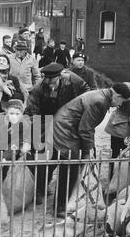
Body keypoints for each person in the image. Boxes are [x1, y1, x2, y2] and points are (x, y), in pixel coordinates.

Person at [53, 83, 130, 216]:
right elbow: (85, 129)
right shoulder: (99, 101)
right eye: (121, 101)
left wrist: (90, 148)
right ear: (117, 96)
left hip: (69, 126)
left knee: (71, 164)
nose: (119, 105)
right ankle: (59, 206)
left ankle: (64, 201)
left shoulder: (102, 95)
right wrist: (89, 151)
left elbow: (87, 127)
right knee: (71, 166)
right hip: (66, 129)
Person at [25, 63, 90, 203]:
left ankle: (60, 198)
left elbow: (86, 92)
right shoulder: (38, 89)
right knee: (43, 159)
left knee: (65, 158)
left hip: (66, 125)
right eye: (47, 81)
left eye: (53, 81)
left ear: (60, 77)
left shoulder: (72, 82)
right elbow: (32, 113)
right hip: (44, 123)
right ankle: (40, 190)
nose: (49, 84)